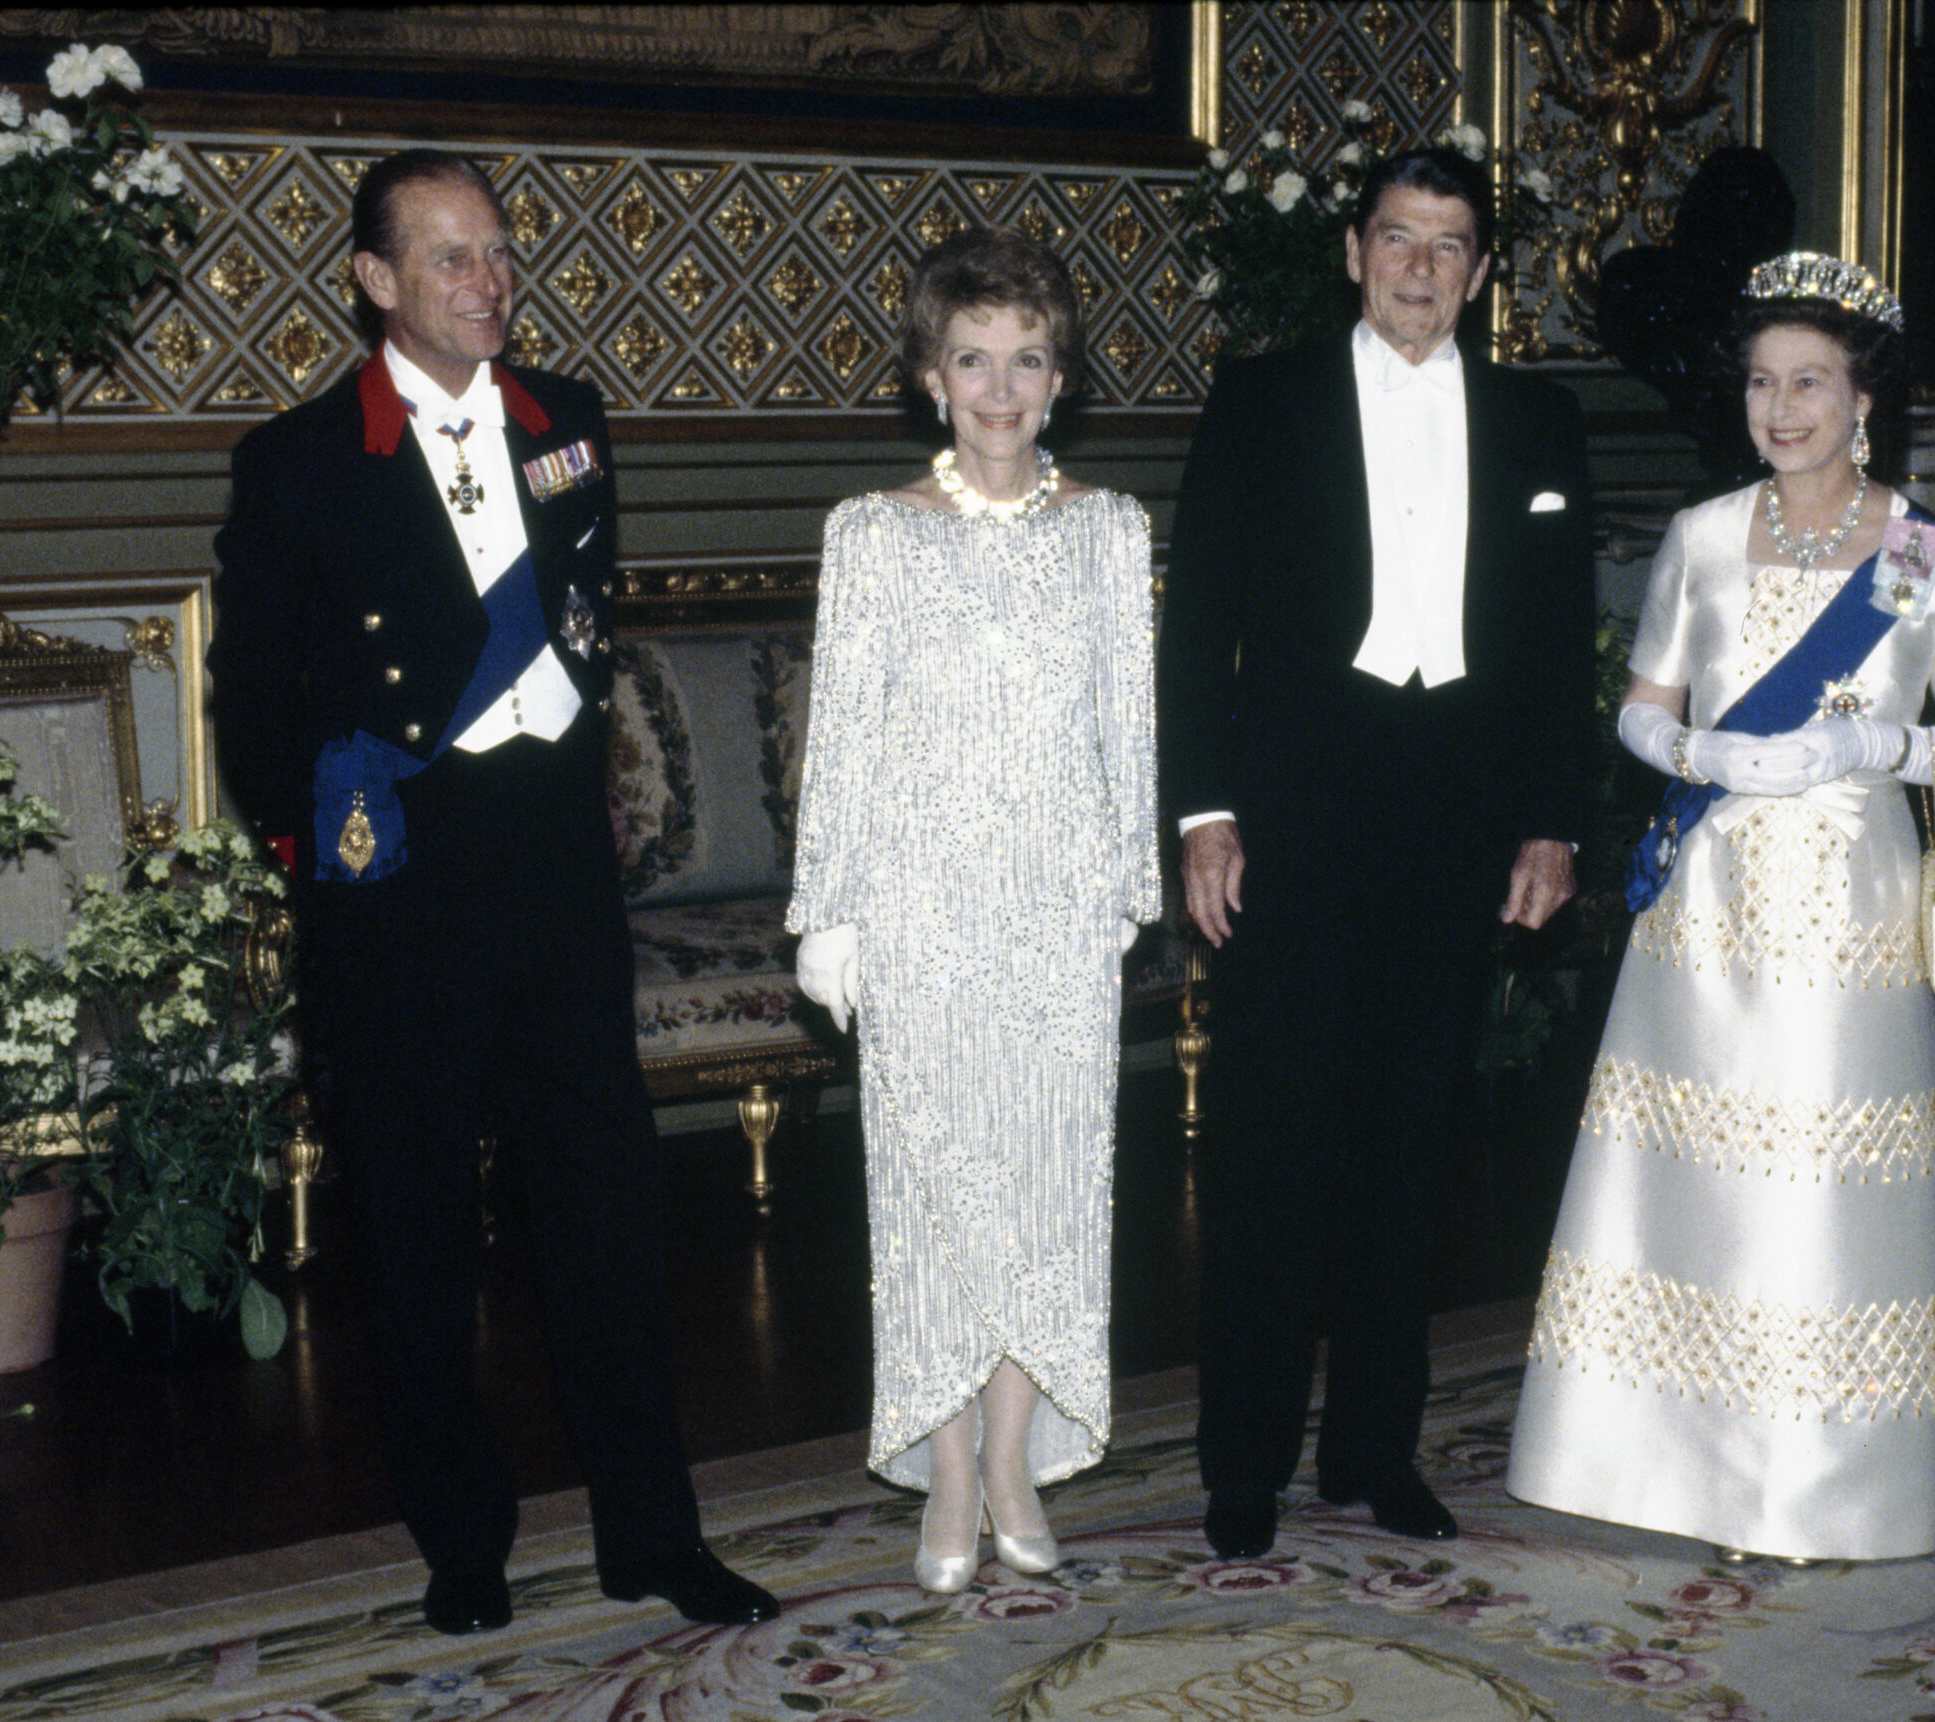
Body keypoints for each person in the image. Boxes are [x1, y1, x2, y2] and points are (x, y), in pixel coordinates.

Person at [208, 148, 776, 1636]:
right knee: (412, 1232)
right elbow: (248, 700)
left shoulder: (566, 425)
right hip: (399, 885)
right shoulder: (298, 462)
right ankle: (463, 1541)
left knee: (608, 1214)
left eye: (500, 252)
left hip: (550, 868)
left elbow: (583, 627)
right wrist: (323, 821)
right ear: (376, 282)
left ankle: (653, 1532)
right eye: (451, 258)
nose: (488, 280)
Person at [1504, 253, 1935, 1563]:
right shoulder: (1703, 536)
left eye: (1811, 382)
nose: (1782, 407)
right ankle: (1651, 1461)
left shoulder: (1920, 555)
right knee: (1692, 1167)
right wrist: (1698, 758)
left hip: (1851, 897)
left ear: (1864, 400)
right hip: (1712, 892)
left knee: (1824, 1174)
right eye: (1762, 381)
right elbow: (1639, 705)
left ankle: (1832, 1477)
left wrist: (1872, 752)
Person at [1159, 147, 1595, 1562]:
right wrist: (1203, 810)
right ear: (1354, 253)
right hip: (1290, 812)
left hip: (1457, 817)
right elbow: (1196, 627)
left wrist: (1552, 817)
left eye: (1450, 243)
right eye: (1398, 238)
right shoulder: (1261, 400)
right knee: (1272, 1143)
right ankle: (1244, 1464)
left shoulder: (1540, 421)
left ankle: (1375, 1450)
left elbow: (1555, 648)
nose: (1421, 266)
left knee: (1411, 1145)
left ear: (1479, 269)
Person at [787, 227, 1160, 1594]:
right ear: (931, 380)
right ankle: (944, 1468)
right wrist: (830, 916)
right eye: (972, 361)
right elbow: (843, 739)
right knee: (935, 1198)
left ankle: (1013, 1458)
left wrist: (1130, 890)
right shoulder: (873, 535)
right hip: (921, 909)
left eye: (1026, 360)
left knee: (1050, 1194)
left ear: (1058, 381)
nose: (1000, 388)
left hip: (1062, 912)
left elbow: (1130, 722)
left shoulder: (1111, 532)